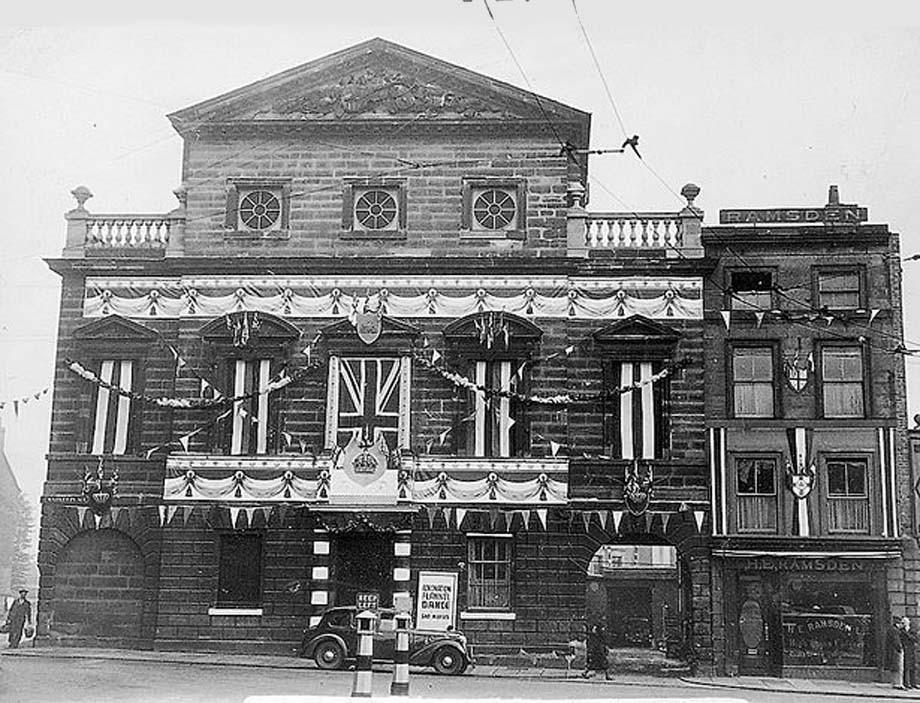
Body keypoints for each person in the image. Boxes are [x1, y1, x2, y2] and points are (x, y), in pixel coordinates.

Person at [900, 616, 917, 690]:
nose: (904, 623)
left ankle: (913, 683)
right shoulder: (901, 630)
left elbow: (914, 639)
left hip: (912, 650)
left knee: (913, 667)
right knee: (906, 667)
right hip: (905, 650)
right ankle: (906, 683)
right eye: (903, 622)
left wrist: (907, 634)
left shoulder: (912, 630)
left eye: (905, 622)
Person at [888, 616, 905, 689]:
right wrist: (900, 649)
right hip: (896, 651)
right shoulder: (895, 631)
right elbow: (896, 642)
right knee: (898, 667)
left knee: (894, 668)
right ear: (898, 623)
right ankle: (898, 684)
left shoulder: (892, 629)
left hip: (892, 651)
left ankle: (894, 683)